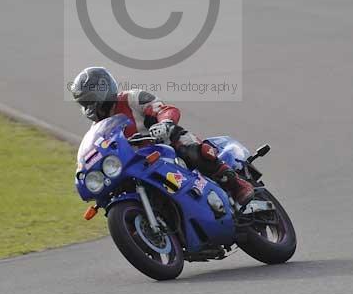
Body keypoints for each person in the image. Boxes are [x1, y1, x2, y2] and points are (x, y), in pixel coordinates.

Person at [70, 66, 254, 209]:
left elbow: (165, 110)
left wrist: (164, 123)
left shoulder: (132, 98)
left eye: (89, 101)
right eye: (83, 103)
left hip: (164, 147)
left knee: (187, 145)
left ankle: (236, 184)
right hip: (137, 164)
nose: (88, 107)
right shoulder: (98, 129)